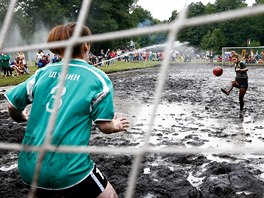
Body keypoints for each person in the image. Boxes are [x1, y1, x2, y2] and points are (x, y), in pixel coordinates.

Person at [5, 22, 129, 198]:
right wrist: (115, 125)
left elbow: (11, 105)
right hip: (69, 168)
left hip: (29, 167)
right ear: (86, 45)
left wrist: (20, 117)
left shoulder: (42, 73)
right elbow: (104, 126)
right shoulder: (98, 79)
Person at [221, 52, 248, 116]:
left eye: (234, 59)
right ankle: (227, 91)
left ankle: (241, 109)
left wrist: (241, 70)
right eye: (232, 59)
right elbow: (239, 57)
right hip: (237, 80)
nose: (233, 61)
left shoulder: (241, 63)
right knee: (231, 83)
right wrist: (235, 53)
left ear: (237, 59)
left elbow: (247, 69)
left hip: (243, 82)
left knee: (240, 98)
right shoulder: (236, 64)